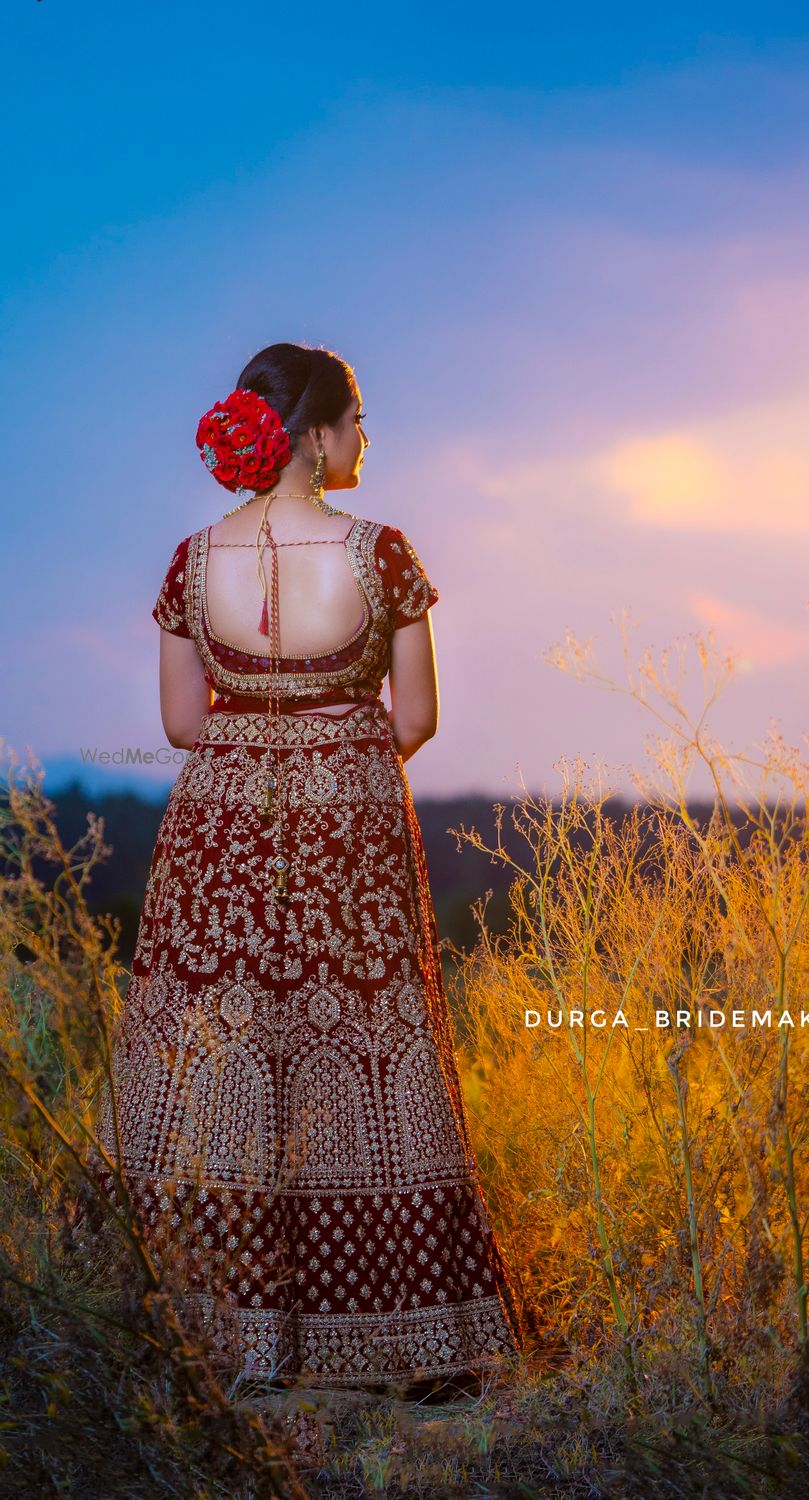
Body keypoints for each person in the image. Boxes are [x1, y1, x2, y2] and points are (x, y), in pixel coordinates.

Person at [81, 341, 525, 1402]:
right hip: (349, 818)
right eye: (359, 419)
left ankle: (202, 1332)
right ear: (317, 435)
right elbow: (413, 718)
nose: (366, 438)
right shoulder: (382, 554)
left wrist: (262, 745)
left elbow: (182, 723)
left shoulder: (193, 561)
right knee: (373, 1045)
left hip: (219, 826)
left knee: (223, 1048)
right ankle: (418, 1348)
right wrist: (334, 752)